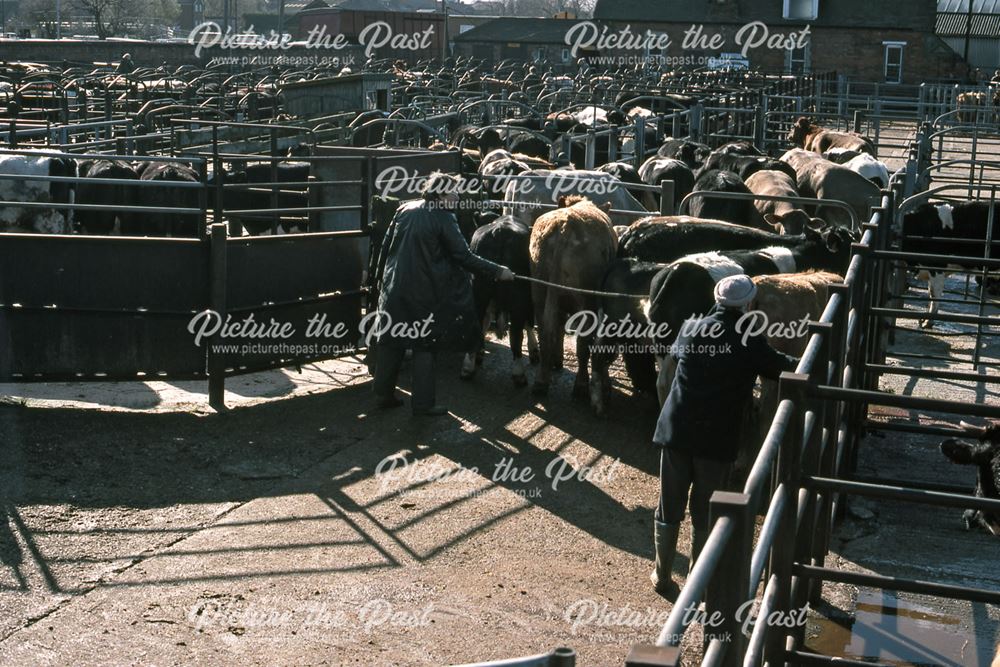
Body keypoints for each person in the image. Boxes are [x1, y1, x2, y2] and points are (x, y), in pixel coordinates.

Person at [649, 274, 799, 598]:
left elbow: (667, 375)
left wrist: (666, 413)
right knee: (705, 508)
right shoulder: (749, 339)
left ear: (718, 300)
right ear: (747, 305)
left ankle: (661, 575)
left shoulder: (691, 328)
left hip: (676, 430)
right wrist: (814, 358)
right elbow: (783, 366)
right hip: (715, 438)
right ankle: (696, 580)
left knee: (669, 504)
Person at [372, 172, 515, 416]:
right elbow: (464, 257)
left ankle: (382, 396)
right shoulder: (444, 218)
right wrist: (498, 271)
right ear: (440, 195)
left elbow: (385, 246)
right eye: (453, 193)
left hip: (393, 288)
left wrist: (379, 280)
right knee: (424, 345)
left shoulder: (404, 209)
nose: (457, 197)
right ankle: (423, 404)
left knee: (390, 341)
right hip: (424, 293)